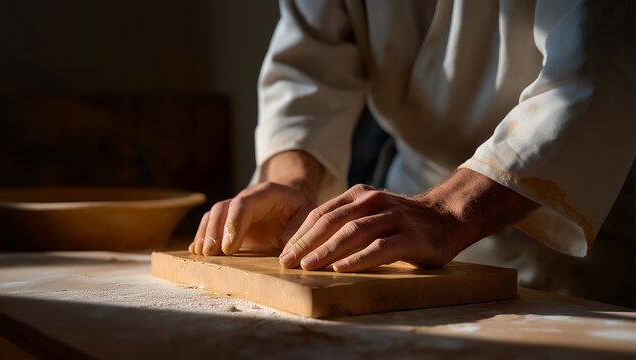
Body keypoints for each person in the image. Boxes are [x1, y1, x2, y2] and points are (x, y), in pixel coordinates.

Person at [190, 1, 635, 305]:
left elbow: (599, 71)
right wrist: (293, 180)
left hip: (562, 218)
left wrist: (450, 210)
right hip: (406, 213)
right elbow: (307, 70)